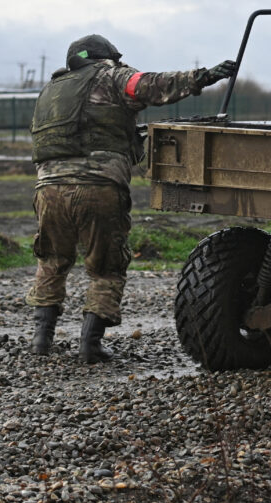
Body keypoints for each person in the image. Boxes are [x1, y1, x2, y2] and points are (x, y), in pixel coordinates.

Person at [26, 35, 236, 362]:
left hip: (47, 188)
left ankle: (41, 342)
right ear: (106, 57)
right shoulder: (112, 76)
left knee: (51, 260)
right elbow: (151, 85)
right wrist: (203, 77)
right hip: (98, 186)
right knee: (106, 267)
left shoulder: (52, 90)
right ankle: (90, 345)